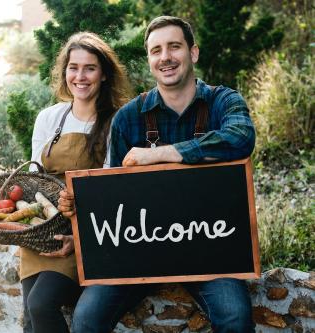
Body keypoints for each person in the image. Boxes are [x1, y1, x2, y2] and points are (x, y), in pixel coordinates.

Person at [59, 16, 256, 332]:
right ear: (150, 60)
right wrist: (78, 207)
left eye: (174, 47)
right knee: (86, 318)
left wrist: (161, 154)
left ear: (193, 53)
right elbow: (112, 196)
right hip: (140, 256)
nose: (165, 57)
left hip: (210, 257)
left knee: (235, 316)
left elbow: (242, 138)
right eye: (156, 50)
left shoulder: (224, 101)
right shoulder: (128, 118)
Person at [22, 31, 132, 333]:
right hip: (43, 229)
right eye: (74, 67)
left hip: (88, 231)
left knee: (41, 304)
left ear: (105, 74)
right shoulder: (49, 118)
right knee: (30, 318)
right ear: (64, 71)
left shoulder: (117, 121)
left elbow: (114, 190)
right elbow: (35, 179)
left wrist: (81, 238)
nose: (80, 76)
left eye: (90, 68)